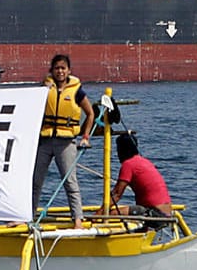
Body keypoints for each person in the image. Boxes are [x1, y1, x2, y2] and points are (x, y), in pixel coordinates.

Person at [30, 52, 96, 228]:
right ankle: (28, 216)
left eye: (63, 68)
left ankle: (78, 220)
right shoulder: (44, 88)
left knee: (70, 181)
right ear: (52, 70)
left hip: (65, 143)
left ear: (68, 71)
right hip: (45, 141)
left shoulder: (77, 91)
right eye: (57, 68)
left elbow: (90, 114)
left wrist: (85, 137)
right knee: (35, 181)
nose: (60, 71)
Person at [108, 133, 173, 227]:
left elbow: (117, 194)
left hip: (156, 214)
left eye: (118, 149)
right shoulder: (144, 161)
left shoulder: (128, 164)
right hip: (166, 212)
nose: (117, 153)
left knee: (111, 214)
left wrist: (98, 214)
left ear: (123, 150)